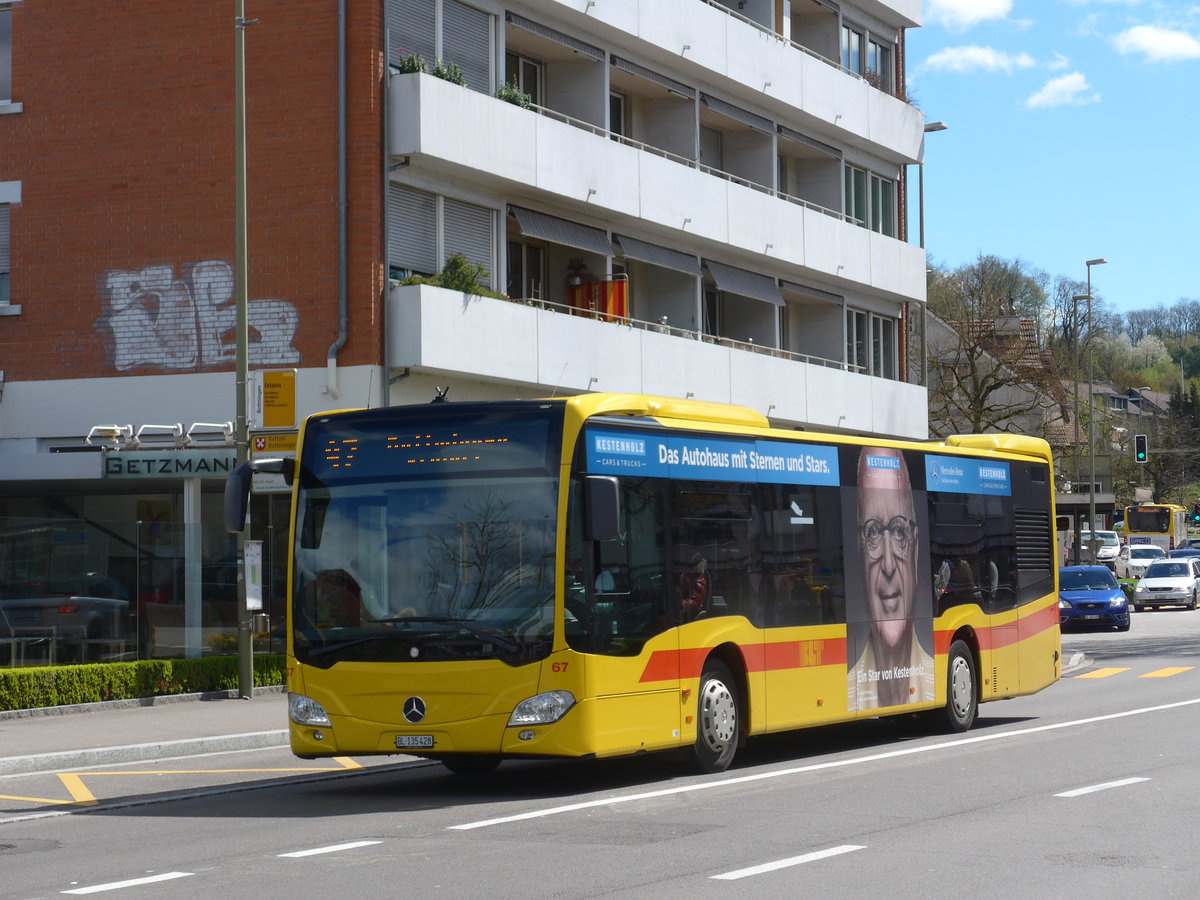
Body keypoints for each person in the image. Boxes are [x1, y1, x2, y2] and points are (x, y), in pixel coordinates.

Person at [847, 446, 935, 709]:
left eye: (898, 531)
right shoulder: (847, 695)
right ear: (859, 550)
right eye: (872, 532)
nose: (887, 565)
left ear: (916, 546)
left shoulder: (936, 683)